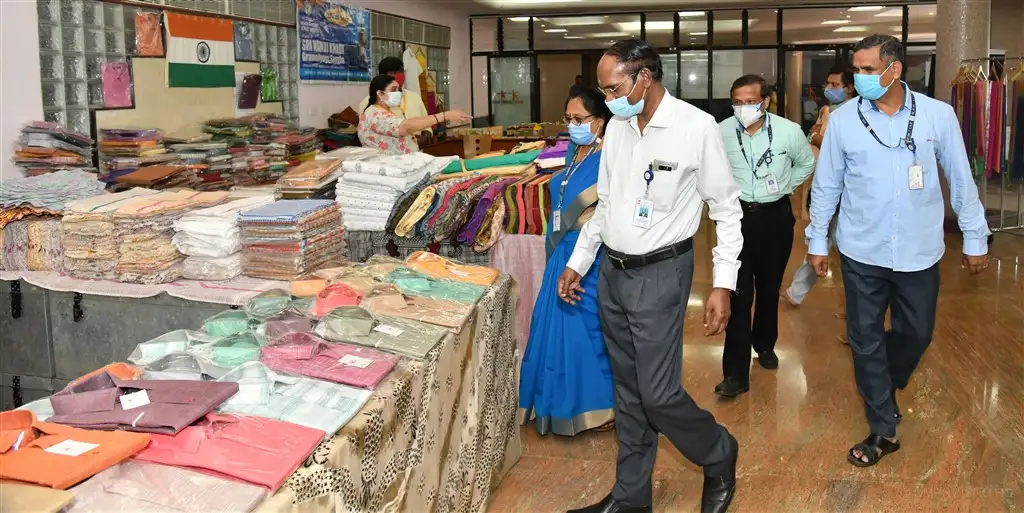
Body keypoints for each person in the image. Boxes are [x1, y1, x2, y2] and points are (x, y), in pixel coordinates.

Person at [558, 39, 742, 513]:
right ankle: (631, 498)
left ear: (645, 76)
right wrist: (579, 261)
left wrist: (724, 283)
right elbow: (608, 202)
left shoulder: (695, 127)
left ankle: (719, 451)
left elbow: (726, 208)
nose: (608, 98)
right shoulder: (618, 127)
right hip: (613, 274)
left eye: (613, 86)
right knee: (628, 394)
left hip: (661, 273)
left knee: (658, 395)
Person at [807, 34, 990, 468]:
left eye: (869, 69)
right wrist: (818, 239)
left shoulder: (937, 116)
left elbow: (960, 179)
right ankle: (883, 428)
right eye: (857, 69)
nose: (860, 77)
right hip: (860, 249)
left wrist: (975, 236)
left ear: (895, 69)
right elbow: (827, 184)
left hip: (919, 249)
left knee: (917, 333)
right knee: (866, 340)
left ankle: (881, 386)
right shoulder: (845, 119)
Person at [519, 85, 615, 437]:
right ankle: (555, 402)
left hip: (589, 253)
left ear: (600, 122)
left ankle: (600, 406)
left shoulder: (610, 157)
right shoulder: (575, 150)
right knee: (554, 325)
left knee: (585, 327)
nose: (572, 125)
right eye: (569, 118)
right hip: (562, 249)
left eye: (580, 119)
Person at [714, 75, 815, 398]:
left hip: (775, 218)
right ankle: (735, 374)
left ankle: (766, 344)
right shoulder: (721, 132)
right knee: (738, 294)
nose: (743, 108)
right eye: (737, 102)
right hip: (737, 218)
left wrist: (785, 187)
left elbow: (806, 162)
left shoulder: (788, 131)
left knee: (769, 289)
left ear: (766, 101)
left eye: (750, 101)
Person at [784, 65, 856, 326]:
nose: (829, 89)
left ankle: (857, 310)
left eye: (835, 85)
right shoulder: (828, 111)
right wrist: (816, 136)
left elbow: (826, 142)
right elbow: (811, 136)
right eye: (829, 84)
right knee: (820, 241)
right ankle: (796, 292)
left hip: (852, 193)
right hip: (828, 188)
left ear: (849, 88)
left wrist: (818, 137)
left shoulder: (856, 115)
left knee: (849, 252)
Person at [357, 75, 470, 155]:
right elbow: (405, 127)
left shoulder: (384, 112)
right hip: (390, 170)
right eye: (393, 89)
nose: (398, 93)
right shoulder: (374, 114)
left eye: (399, 89)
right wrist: (444, 116)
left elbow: (411, 123)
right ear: (380, 94)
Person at [357, 57, 433, 147]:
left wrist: (425, 138)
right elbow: (366, 135)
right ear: (382, 76)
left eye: (400, 71)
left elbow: (426, 124)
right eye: (392, 72)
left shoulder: (414, 97)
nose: (398, 75)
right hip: (386, 157)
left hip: (416, 154)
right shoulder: (367, 104)